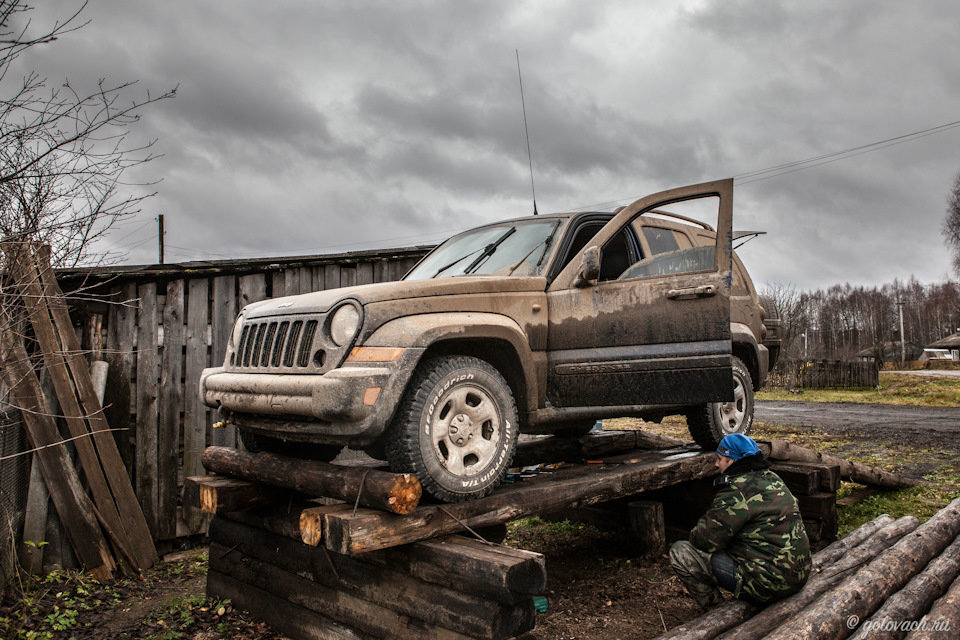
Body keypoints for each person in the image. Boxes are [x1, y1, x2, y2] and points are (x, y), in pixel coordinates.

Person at [670, 433, 812, 609]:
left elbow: (703, 540)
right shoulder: (773, 478)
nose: (716, 464)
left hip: (770, 585)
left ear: (732, 461)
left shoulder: (736, 490)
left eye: (720, 459)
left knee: (680, 552)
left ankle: (715, 610)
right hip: (799, 574)